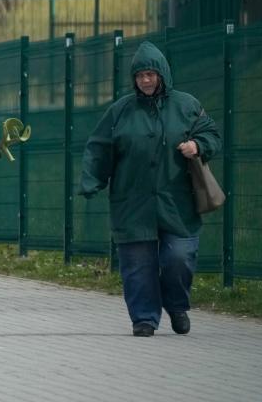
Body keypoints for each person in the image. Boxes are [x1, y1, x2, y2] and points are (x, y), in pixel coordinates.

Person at [79, 41, 221, 337]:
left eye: (151, 74)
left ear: (162, 75)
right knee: (137, 263)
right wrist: (92, 180)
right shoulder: (120, 111)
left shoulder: (187, 105)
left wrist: (198, 145)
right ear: (134, 79)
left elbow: (211, 133)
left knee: (179, 257)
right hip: (132, 202)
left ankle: (176, 304)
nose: (145, 80)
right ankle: (144, 317)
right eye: (140, 75)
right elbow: (99, 147)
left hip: (177, 201)